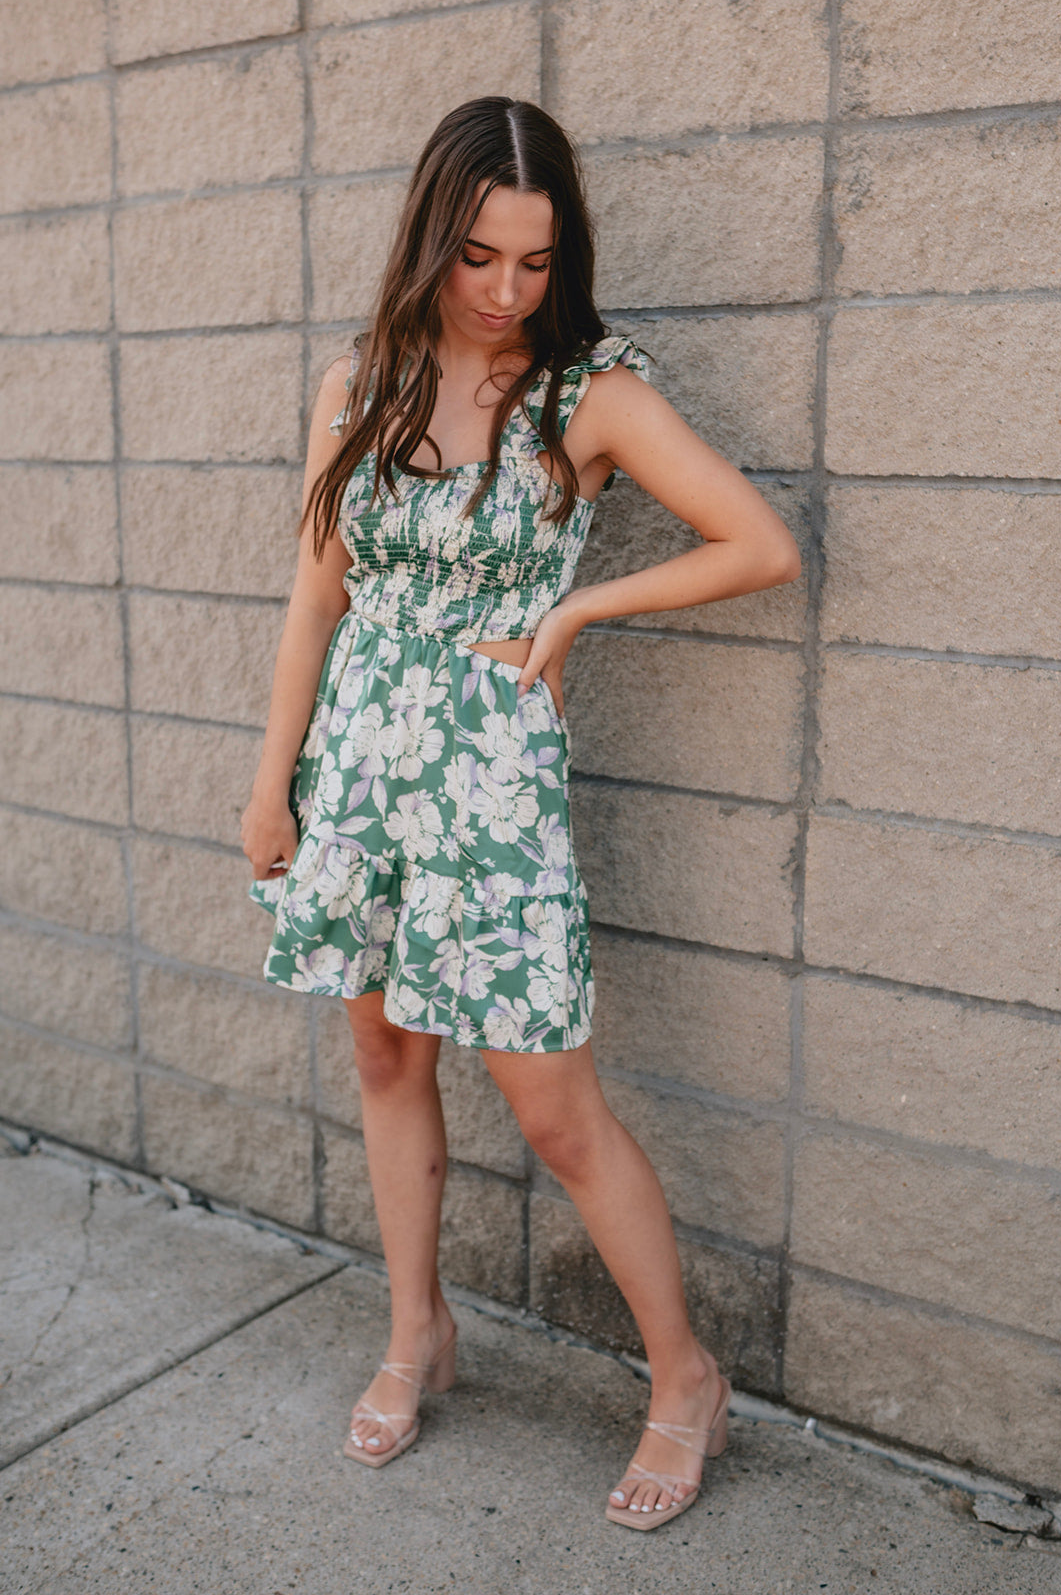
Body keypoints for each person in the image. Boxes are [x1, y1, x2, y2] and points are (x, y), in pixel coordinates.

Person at [241, 95, 801, 1531]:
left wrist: (578, 610)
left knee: (552, 1107)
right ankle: (415, 1331)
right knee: (384, 1055)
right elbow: (317, 595)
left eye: (535, 262)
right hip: (360, 764)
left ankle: (685, 1378)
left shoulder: (586, 392)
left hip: (489, 780)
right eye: (478, 256)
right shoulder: (360, 380)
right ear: (431, 239)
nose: (504, 291)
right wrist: (270, 780)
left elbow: (758, 544)